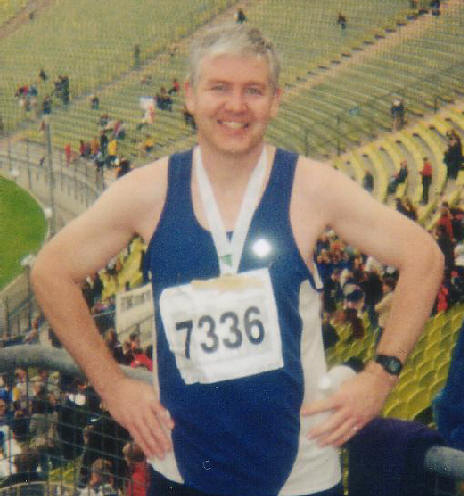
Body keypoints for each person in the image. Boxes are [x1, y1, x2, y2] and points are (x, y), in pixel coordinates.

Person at [31, 23, 444, 496]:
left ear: (275, 100)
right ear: (190, 96)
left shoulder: (311, 187)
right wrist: (113, 386)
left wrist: (381, 375)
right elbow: (51, 272)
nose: (236, 105)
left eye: (253, 90)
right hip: (180, 467)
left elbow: (424, 257)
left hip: (300, 473)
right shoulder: (149, 191)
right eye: (219, 88)